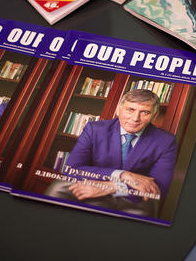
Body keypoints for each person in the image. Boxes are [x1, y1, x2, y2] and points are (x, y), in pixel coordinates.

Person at [45, 89, 177, 217]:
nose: (135, 118)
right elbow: (72, 169)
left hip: (130, 197)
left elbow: (160, 186)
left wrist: (114, 186)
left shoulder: (166, 141)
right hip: (88, 185)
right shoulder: (94, 129)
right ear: (118, 109)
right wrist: (123, 175)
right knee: (58, 188)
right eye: (130, 110)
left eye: (145, 112)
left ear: (154, 116)